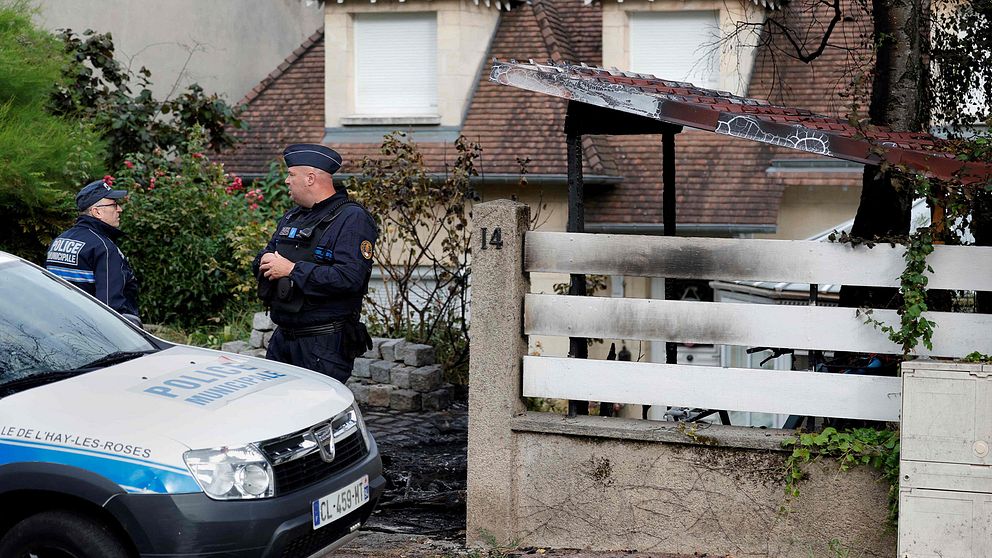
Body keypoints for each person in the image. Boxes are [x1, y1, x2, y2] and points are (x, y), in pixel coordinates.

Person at [254, 144, 377, 382]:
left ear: (310, 178)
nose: (287, 181)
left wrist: (292, 270)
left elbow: (350, 278)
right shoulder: (293, 216)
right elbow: (265, 257)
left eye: (291, 174)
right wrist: (264, 261)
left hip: (322, 345)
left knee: (313, 414)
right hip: (283, 339)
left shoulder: (351, 218)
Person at [46, 179, 141, 326]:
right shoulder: (104, 248)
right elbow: (110, 308)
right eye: (114, 204)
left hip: (59, 326)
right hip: (92, 334)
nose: (120, 209)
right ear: (97, 212)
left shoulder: (59, 240)